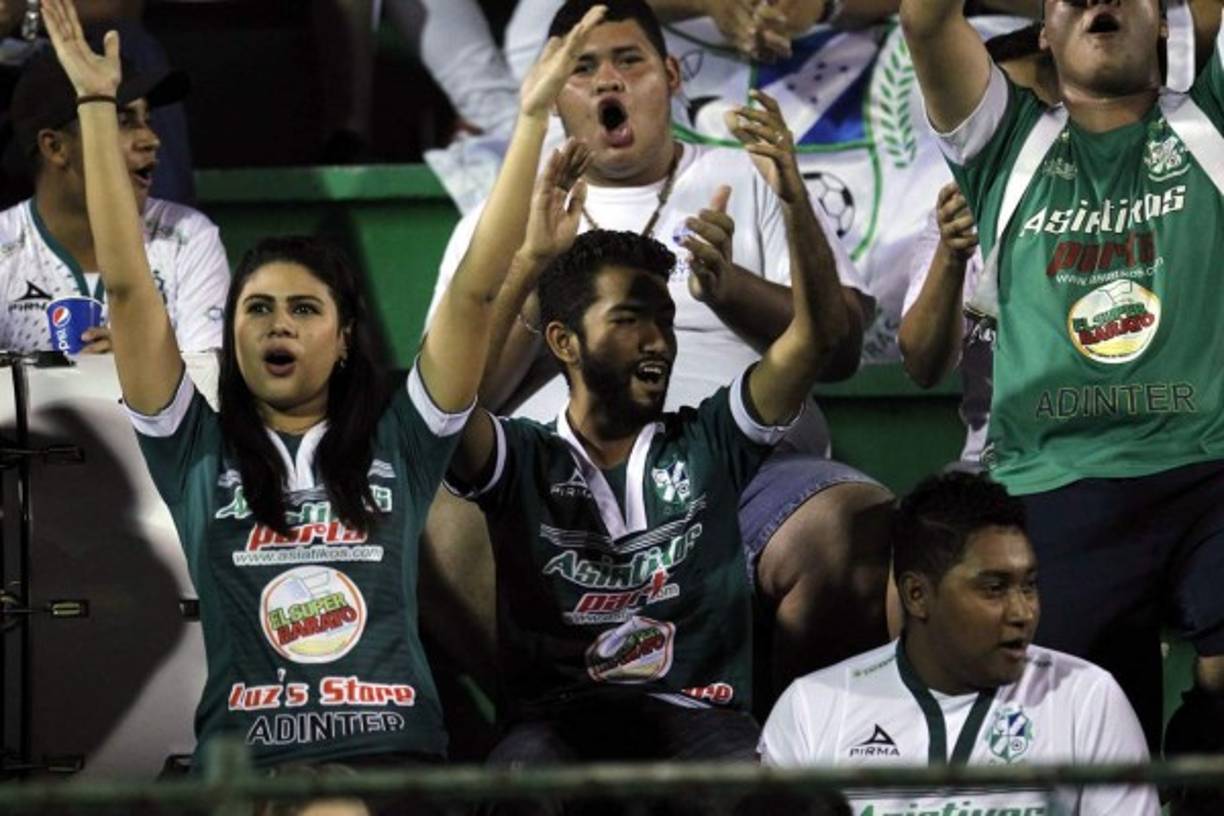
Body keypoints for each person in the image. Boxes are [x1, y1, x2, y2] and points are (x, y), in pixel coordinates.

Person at [37, 0, 604, 803]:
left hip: (394, 765)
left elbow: (477, 292)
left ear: (344, 341)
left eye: (305, 310)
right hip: (246, 776)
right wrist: (95, 106)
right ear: (232, 335)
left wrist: (534, 116)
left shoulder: (400, 439)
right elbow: (128, 287)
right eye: (258, 308)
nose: (279, 325)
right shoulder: (195, 448)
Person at [426, 0, 894, 707]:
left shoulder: (747, 178)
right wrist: (532, 270)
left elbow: (840, 347)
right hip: (553, 494)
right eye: (583, 69)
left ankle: (780, 757)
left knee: (848, 523)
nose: (608, 82)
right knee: (427, 517)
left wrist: (730, 289)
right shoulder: (497, 219)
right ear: (554, 93)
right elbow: (453, 400)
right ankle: (553, 725)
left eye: (629, 61)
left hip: (740, 473)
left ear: (672, 75)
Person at [444, 65, 850, 807]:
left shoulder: (709, 439)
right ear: (563, 343)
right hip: (557, 728)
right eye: (630, 319)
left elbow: (819, 336)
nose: (658, 340)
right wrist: (532, 260)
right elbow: (446, 401)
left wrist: (794, 203)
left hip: (700, 719)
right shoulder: (523, 457)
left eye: (662, 319)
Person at [899, 0, 1224, 798]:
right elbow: (925, 18)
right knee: (1086, 734)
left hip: (1209, 469)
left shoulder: (1212, 122)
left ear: (1168, 22)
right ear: (1043, 31)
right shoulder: (1003, 143)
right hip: (1053, 484)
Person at [761, 471, 1160, 816]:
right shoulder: (812, 709)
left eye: (1030, 586)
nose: (1023, 611)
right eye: (994, 588)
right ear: (917, 595)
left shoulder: (1087, 697)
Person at [0, 42, 225, 353]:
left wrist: (147, 364)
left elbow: (212, 387)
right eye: (123, 121)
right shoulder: (4, 248)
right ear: (54, 148)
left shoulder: (187, 237)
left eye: (148, 120)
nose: (151, 139)